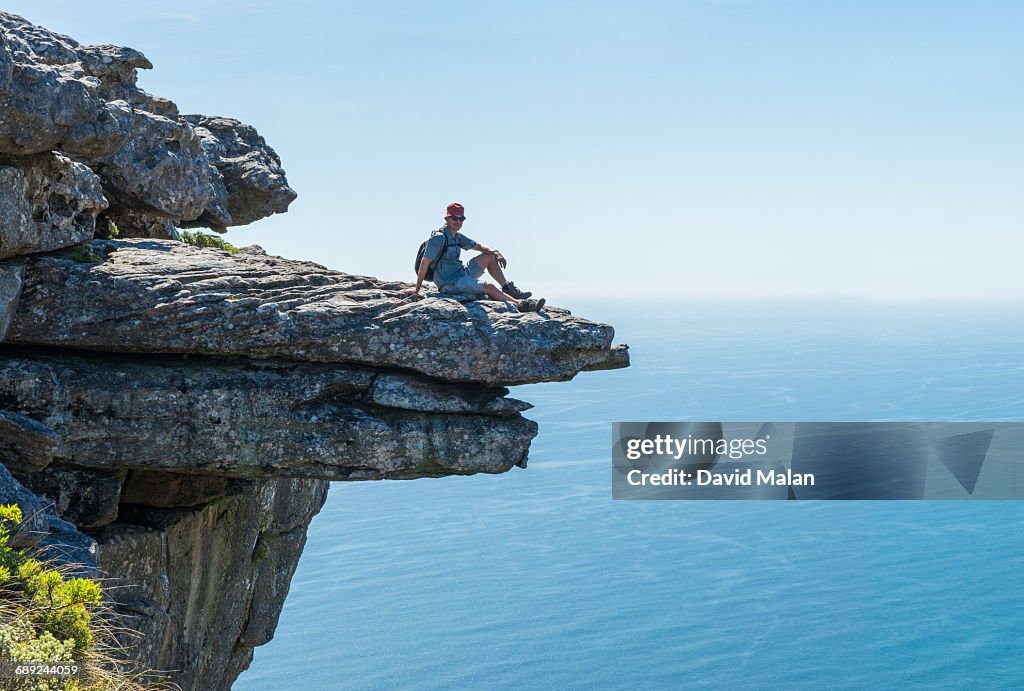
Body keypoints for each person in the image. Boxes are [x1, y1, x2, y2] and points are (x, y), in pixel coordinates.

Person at [406, 202, 546, 312]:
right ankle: (521, 305)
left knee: (489, 257)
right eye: (454, 218)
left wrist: (495, 252)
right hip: (449, 283)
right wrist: (417, 290)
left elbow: (478, 246)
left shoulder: (457, 236)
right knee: (489, 287)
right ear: (447, 218)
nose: (458, 221)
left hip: (461, 273)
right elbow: (424, 263)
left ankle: (507, 288)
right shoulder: (438, 238)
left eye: (461, 219)